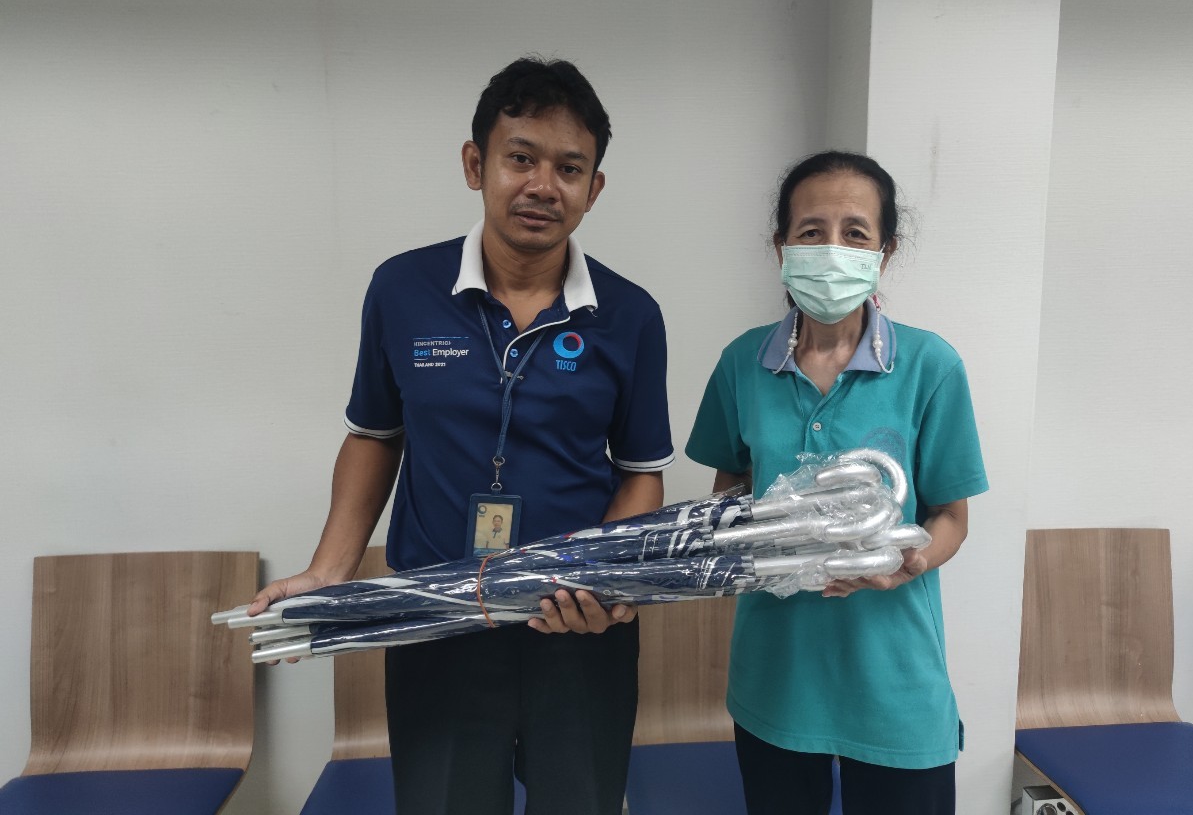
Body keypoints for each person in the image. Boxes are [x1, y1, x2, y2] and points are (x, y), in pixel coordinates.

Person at [246, 57, 674, 815]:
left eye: (569, 168)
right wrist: (330, 568)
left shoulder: (630, 315)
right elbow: (375, 435)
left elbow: (640, 471)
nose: (543, 185)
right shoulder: (403, 288)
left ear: (594, 188)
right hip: (438, 616)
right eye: (521, 158)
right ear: (476, 165)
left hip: (573, 625)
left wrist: (604, 579)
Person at [685, 151, 986, 815]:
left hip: (895, 683)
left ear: (884, 251)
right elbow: (727, 495)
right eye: (811, 231)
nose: (832, 249)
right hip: (776, 680)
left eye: (854, 233)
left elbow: (952, 518)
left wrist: (907, 565)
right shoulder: (741, 364)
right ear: (782, 247)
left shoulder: (930, 366)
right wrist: (748, 536)